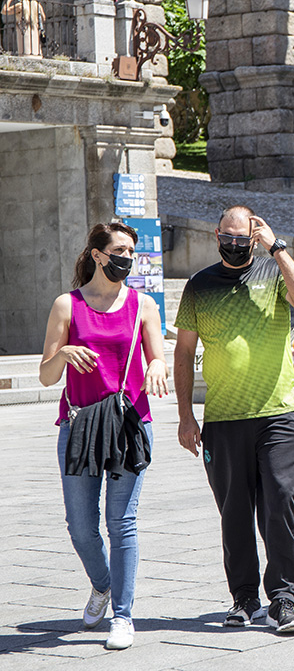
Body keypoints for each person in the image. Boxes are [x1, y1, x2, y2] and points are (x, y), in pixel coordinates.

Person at [173, 206, 294, 634]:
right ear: (217, 234)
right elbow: (182, 353)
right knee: (233, 513)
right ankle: (243, 597)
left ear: (254, 238)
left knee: (281, 505)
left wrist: (278, 248)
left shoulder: (273, 272)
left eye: (244, 238)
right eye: (228, 236)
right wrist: (185, 416)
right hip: (223, 418)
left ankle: (284, 599)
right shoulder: (199, 285)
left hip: (277, 415)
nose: (235, 244)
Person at [38, 222, 168, 651]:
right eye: (119, 251)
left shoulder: (144, 305)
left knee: (121, 521)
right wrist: (64, 353)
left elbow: (159, 358)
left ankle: (124, 616)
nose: (127, 258)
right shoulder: (67, 305)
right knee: (80, 526)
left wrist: (155, 368)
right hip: (79, 426)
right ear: (98, 255)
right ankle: (102, 584)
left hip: (130, 425)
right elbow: (44, 376)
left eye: (131, 251)